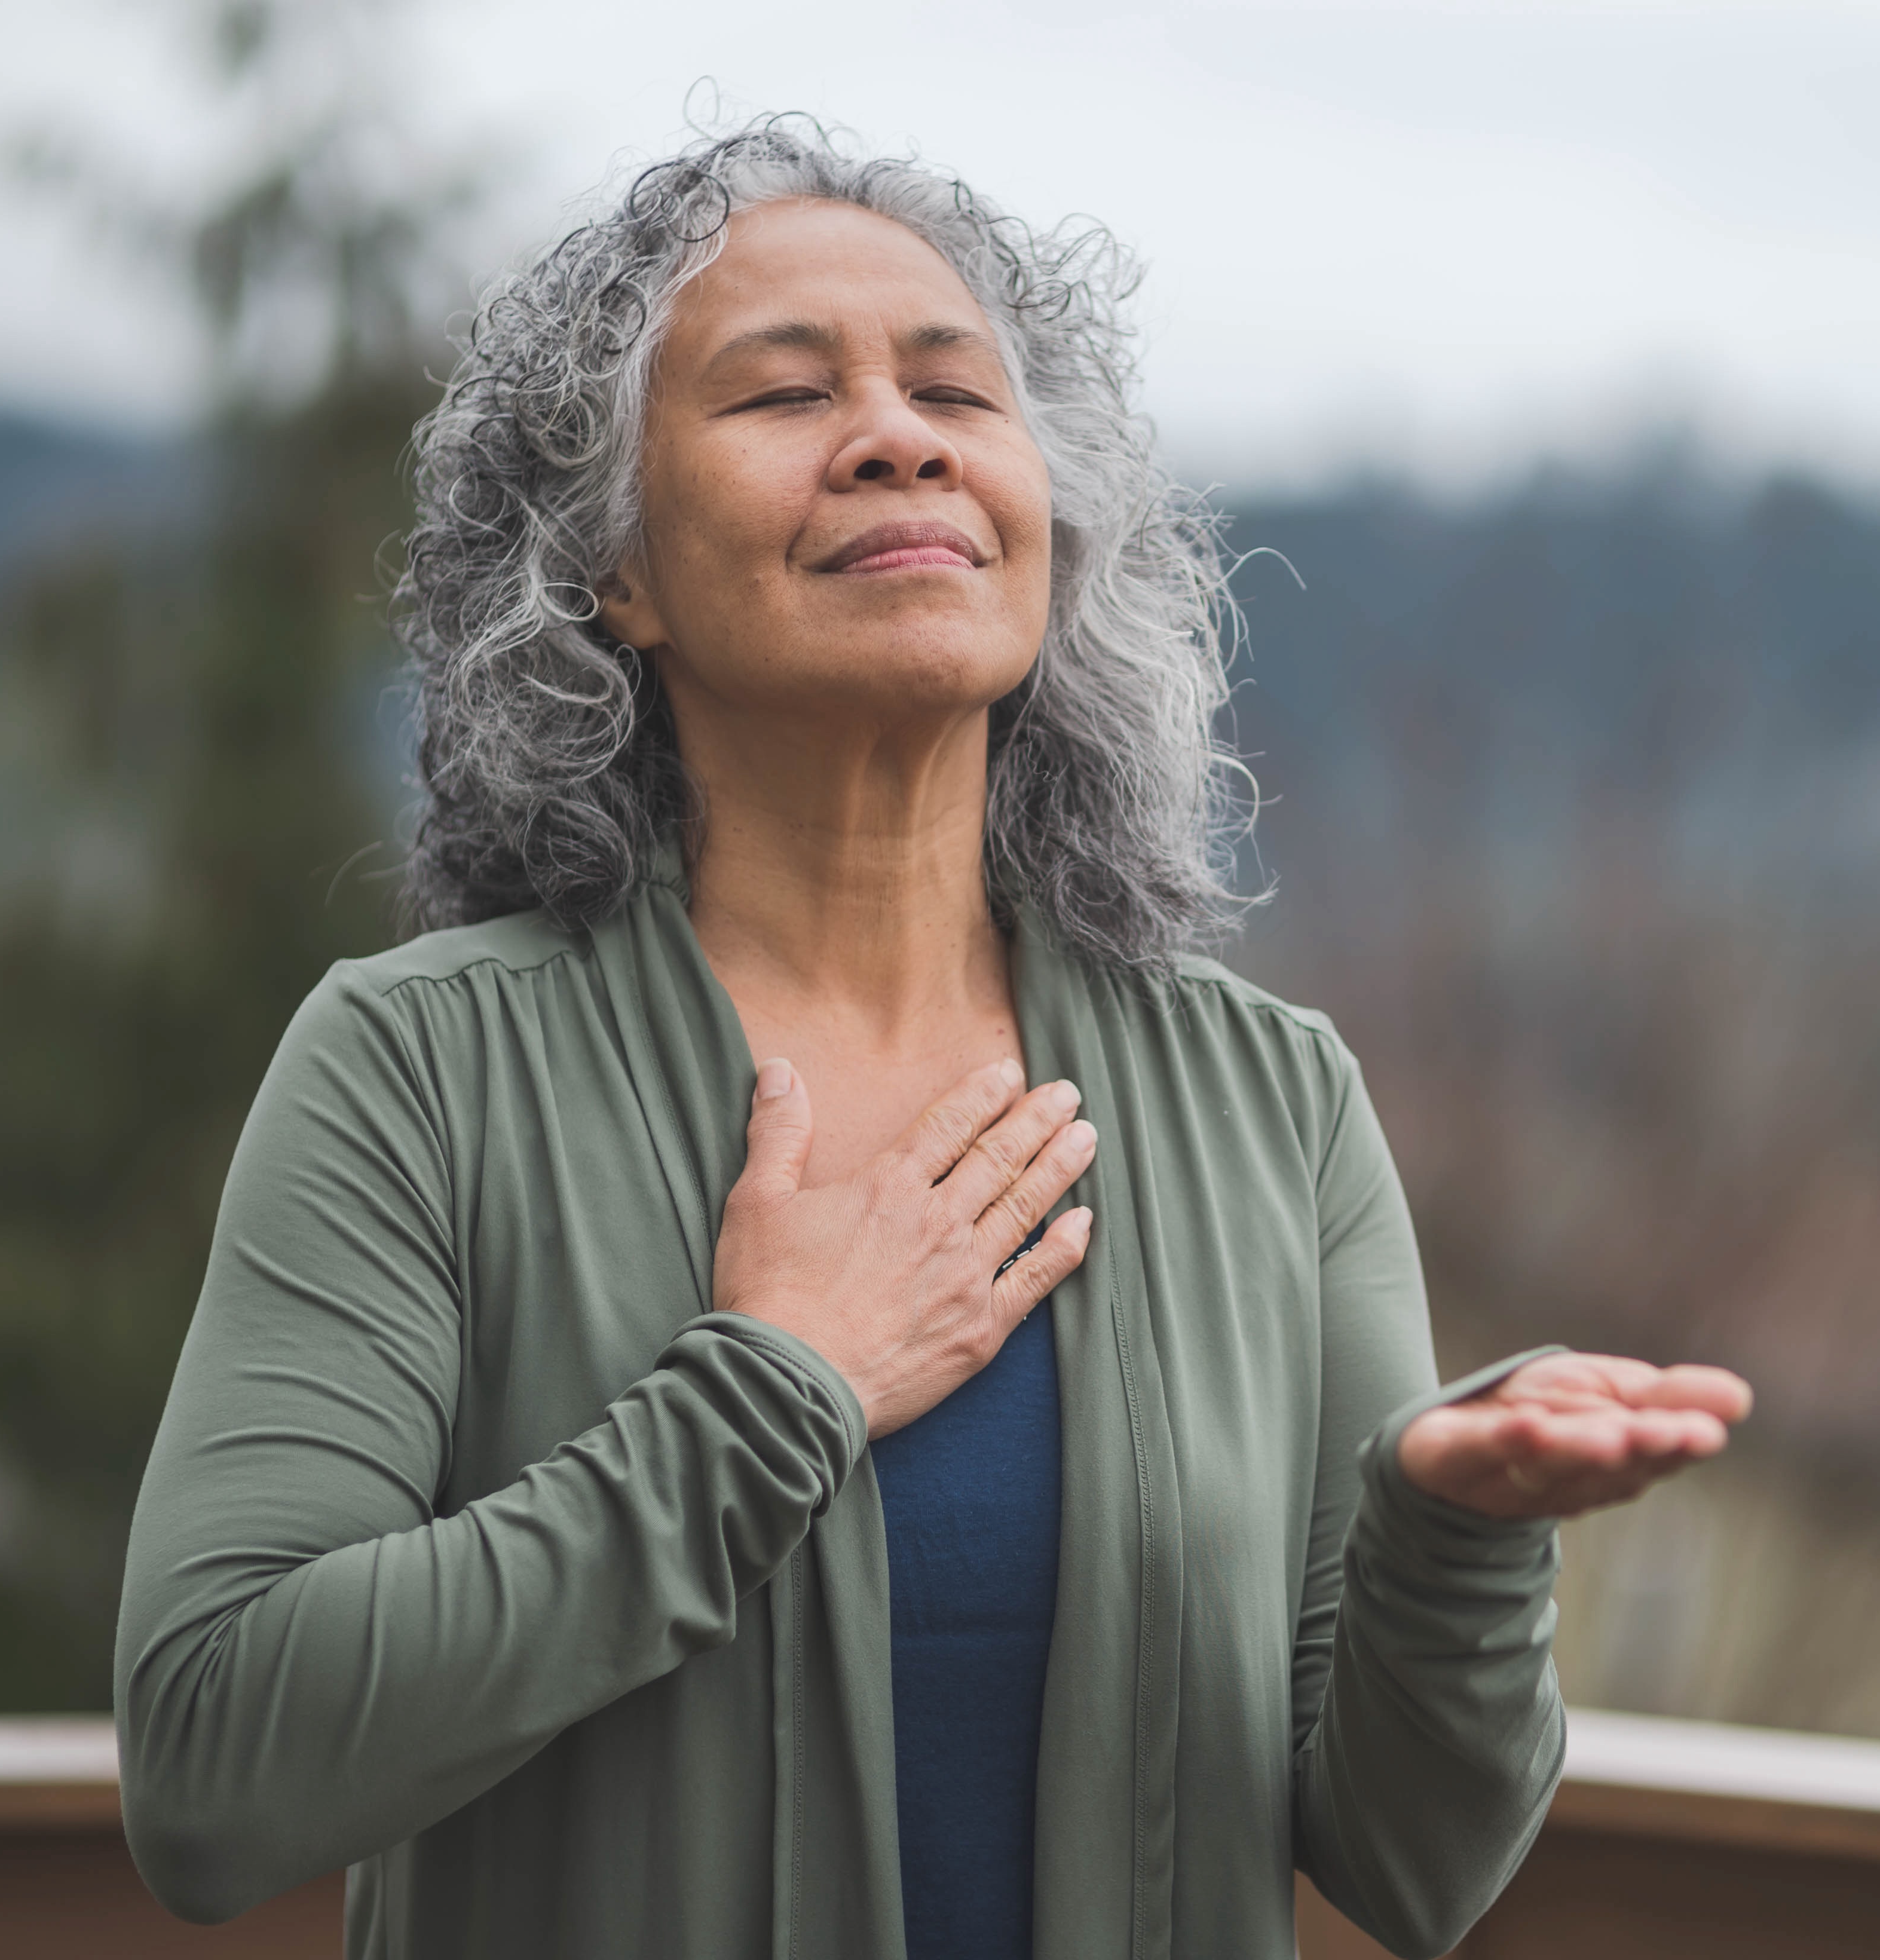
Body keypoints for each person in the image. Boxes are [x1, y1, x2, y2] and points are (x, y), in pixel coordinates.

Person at [115, 122, 1752, 1960]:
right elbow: (208, 1766)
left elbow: (1413, 1864)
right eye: (784, 392)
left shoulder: (1271, 1106)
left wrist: (1454, 1542)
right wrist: (769, 1392)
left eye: (957, 390)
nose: (900, 434)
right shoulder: (422, 1072)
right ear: (613, 572)